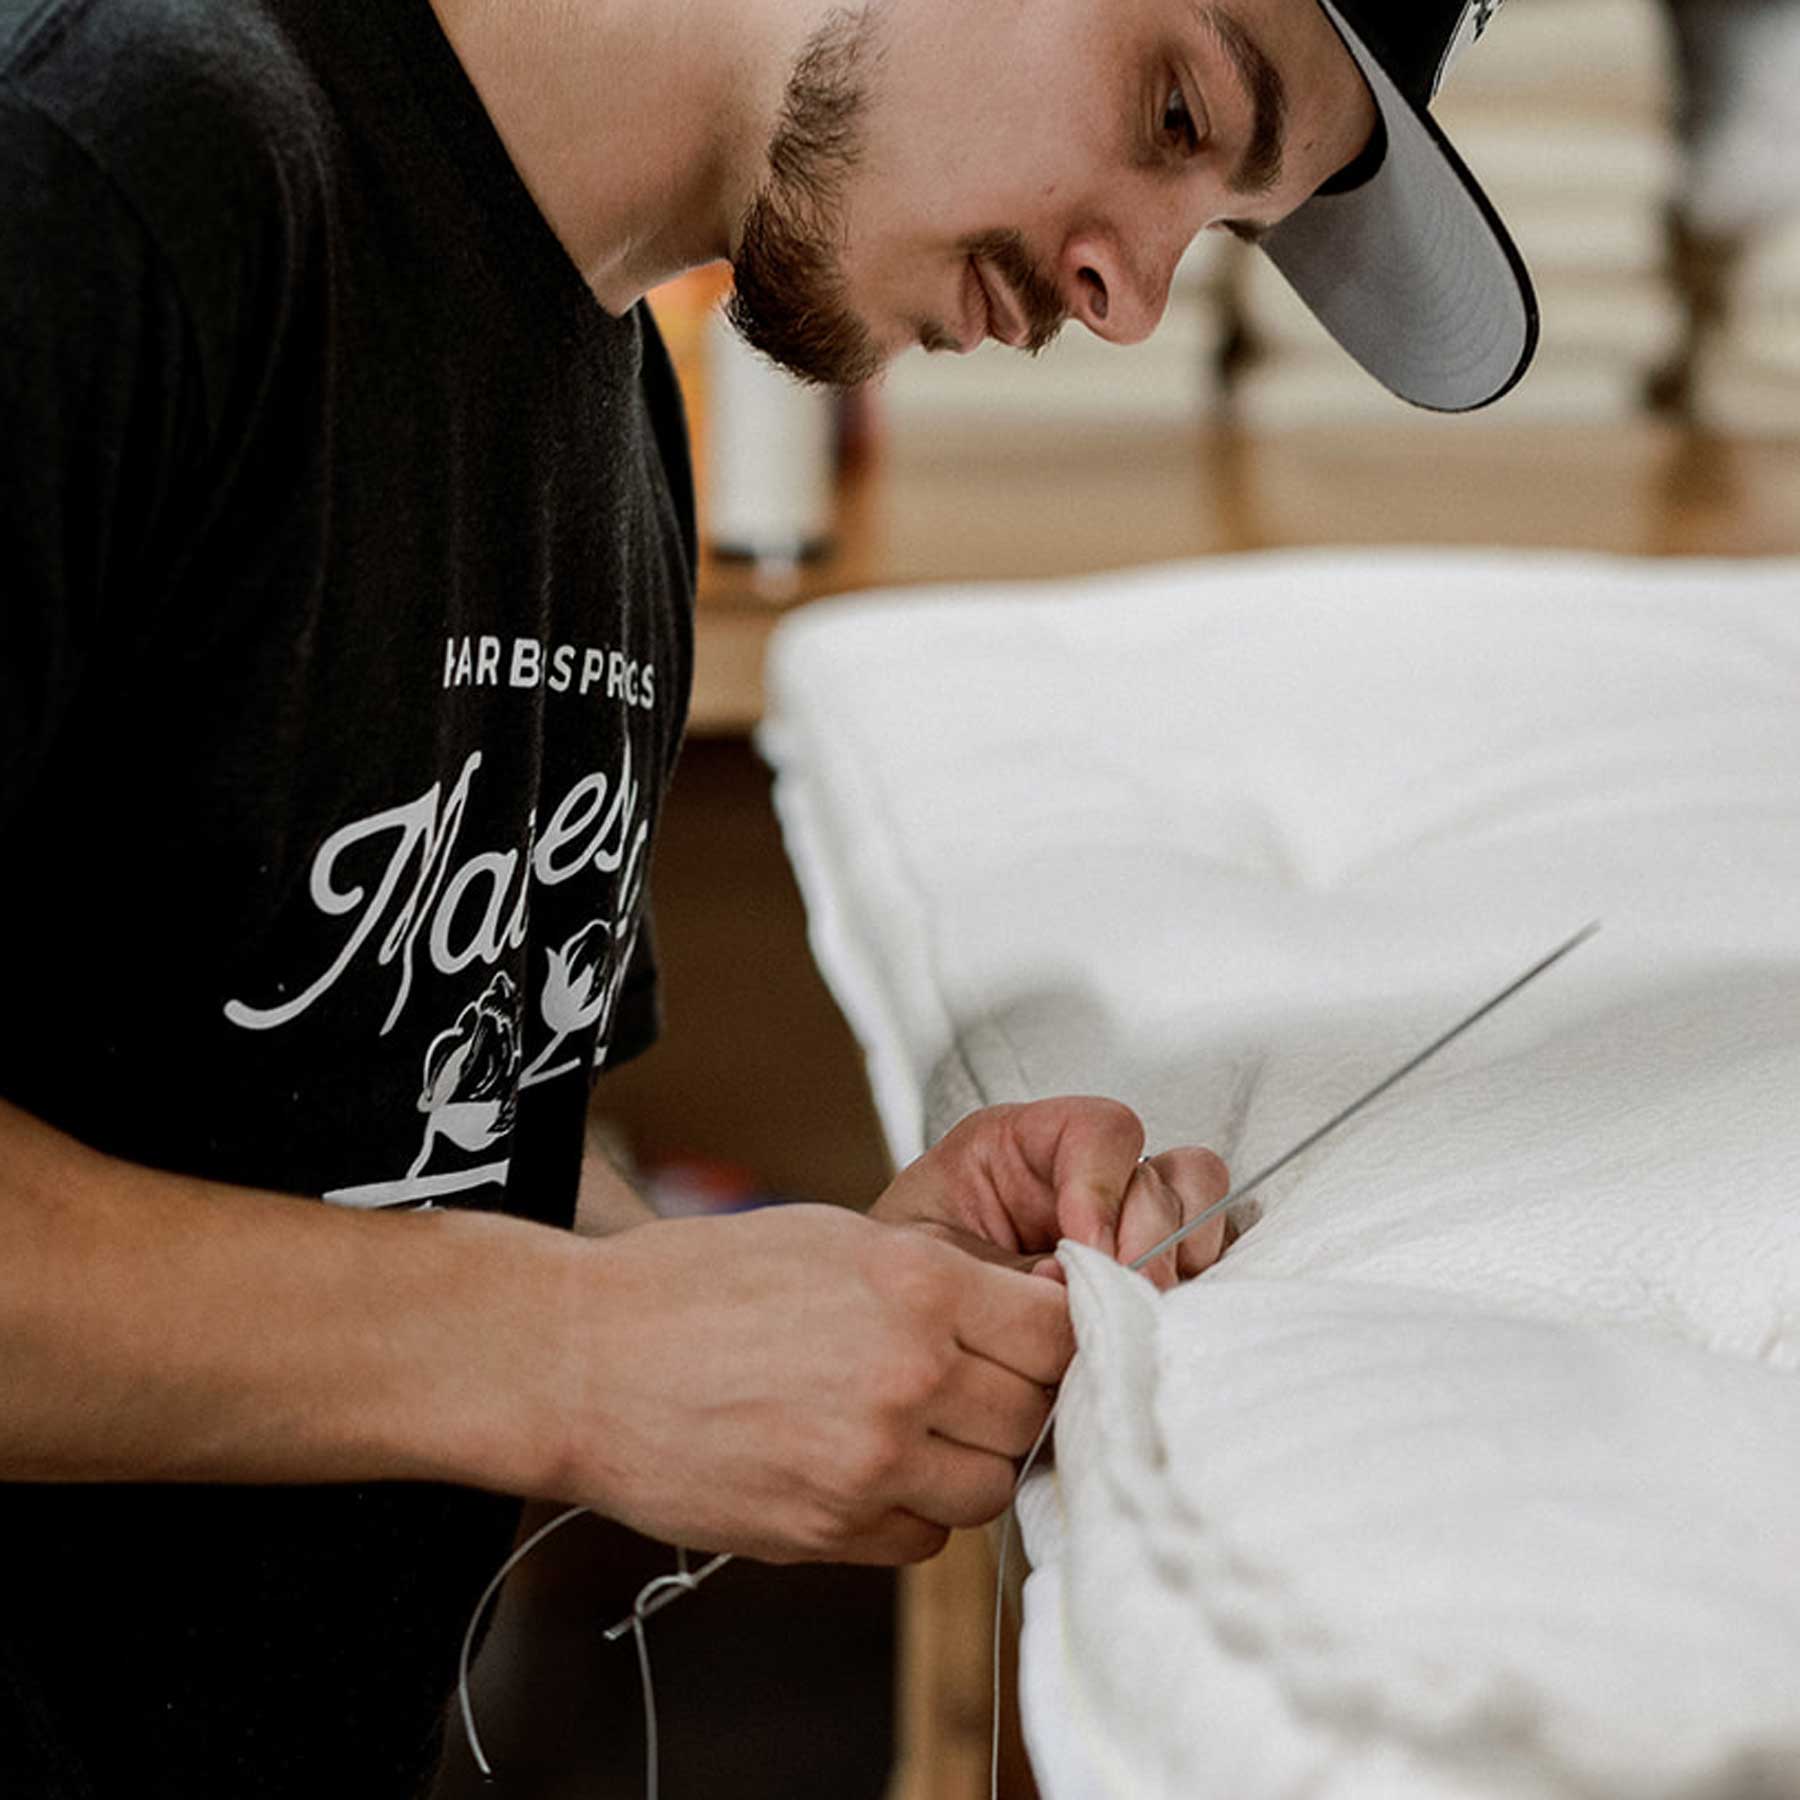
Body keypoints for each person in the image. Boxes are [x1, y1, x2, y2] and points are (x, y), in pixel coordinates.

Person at [0, 0, 1534, 1792]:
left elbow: (420, 1124)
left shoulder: (615, 422)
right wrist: (578, 1358)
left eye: (1228, 227)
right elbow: (505, 1334)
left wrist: (799, 1314)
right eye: (1176, 102)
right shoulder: (119, 171)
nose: (1132, 297)